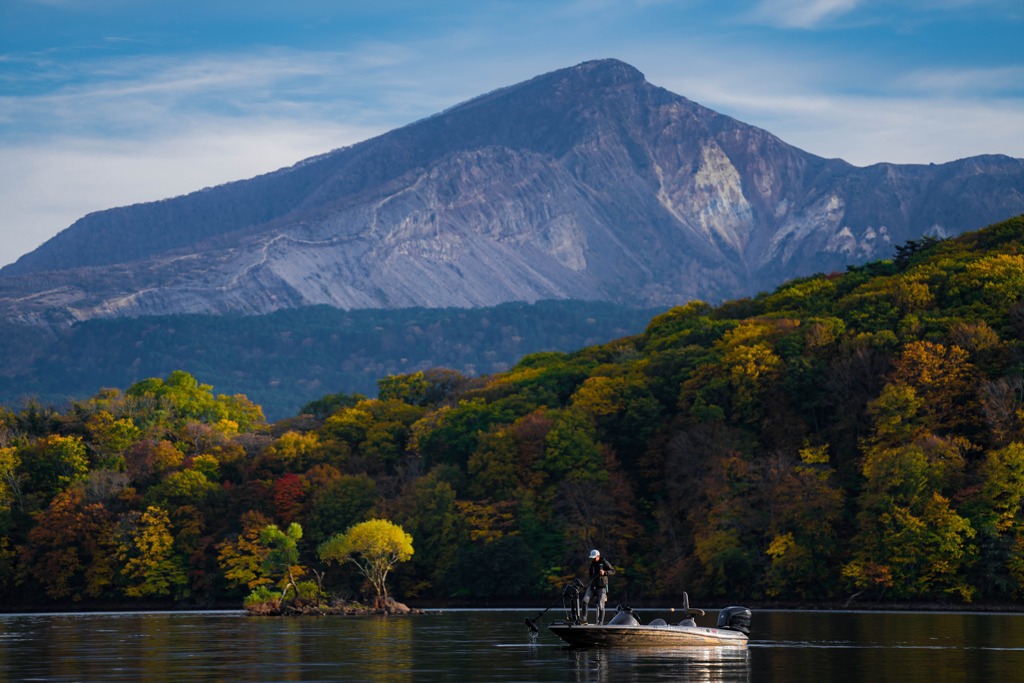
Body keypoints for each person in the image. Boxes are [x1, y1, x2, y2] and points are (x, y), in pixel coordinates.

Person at [582, 549, 615, 625]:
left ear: (598, 556)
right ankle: (584, 620)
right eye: (592, 558)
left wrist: (605, 572)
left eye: (594, 557)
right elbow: (590, 575)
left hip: (602, 587)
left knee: (601, 606)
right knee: (584, 601)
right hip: (592, 586)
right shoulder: (592, 564)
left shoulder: (604, 562)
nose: (593, 559)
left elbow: (613, 571)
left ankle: (600, 623)